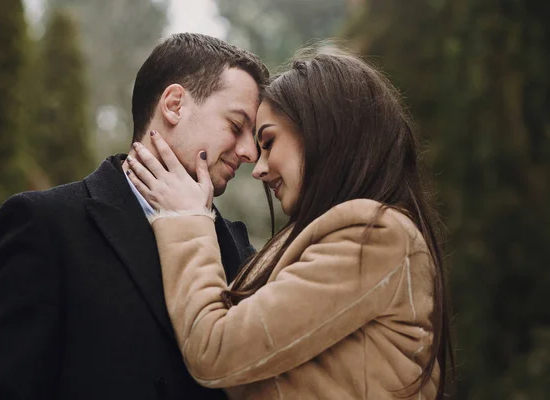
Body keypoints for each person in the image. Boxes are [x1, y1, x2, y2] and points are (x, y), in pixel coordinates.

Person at [125, 46, 454, 399]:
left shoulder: (376, 237)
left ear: (323, 134)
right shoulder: (334, 237)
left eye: (267, 141)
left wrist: (187, 220)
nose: (259, 167)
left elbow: (215, 348)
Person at [0, 33, 269, 400]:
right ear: (174, 104)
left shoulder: (238, 250)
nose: (250, 152)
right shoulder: (45, 225)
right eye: (237, 126)